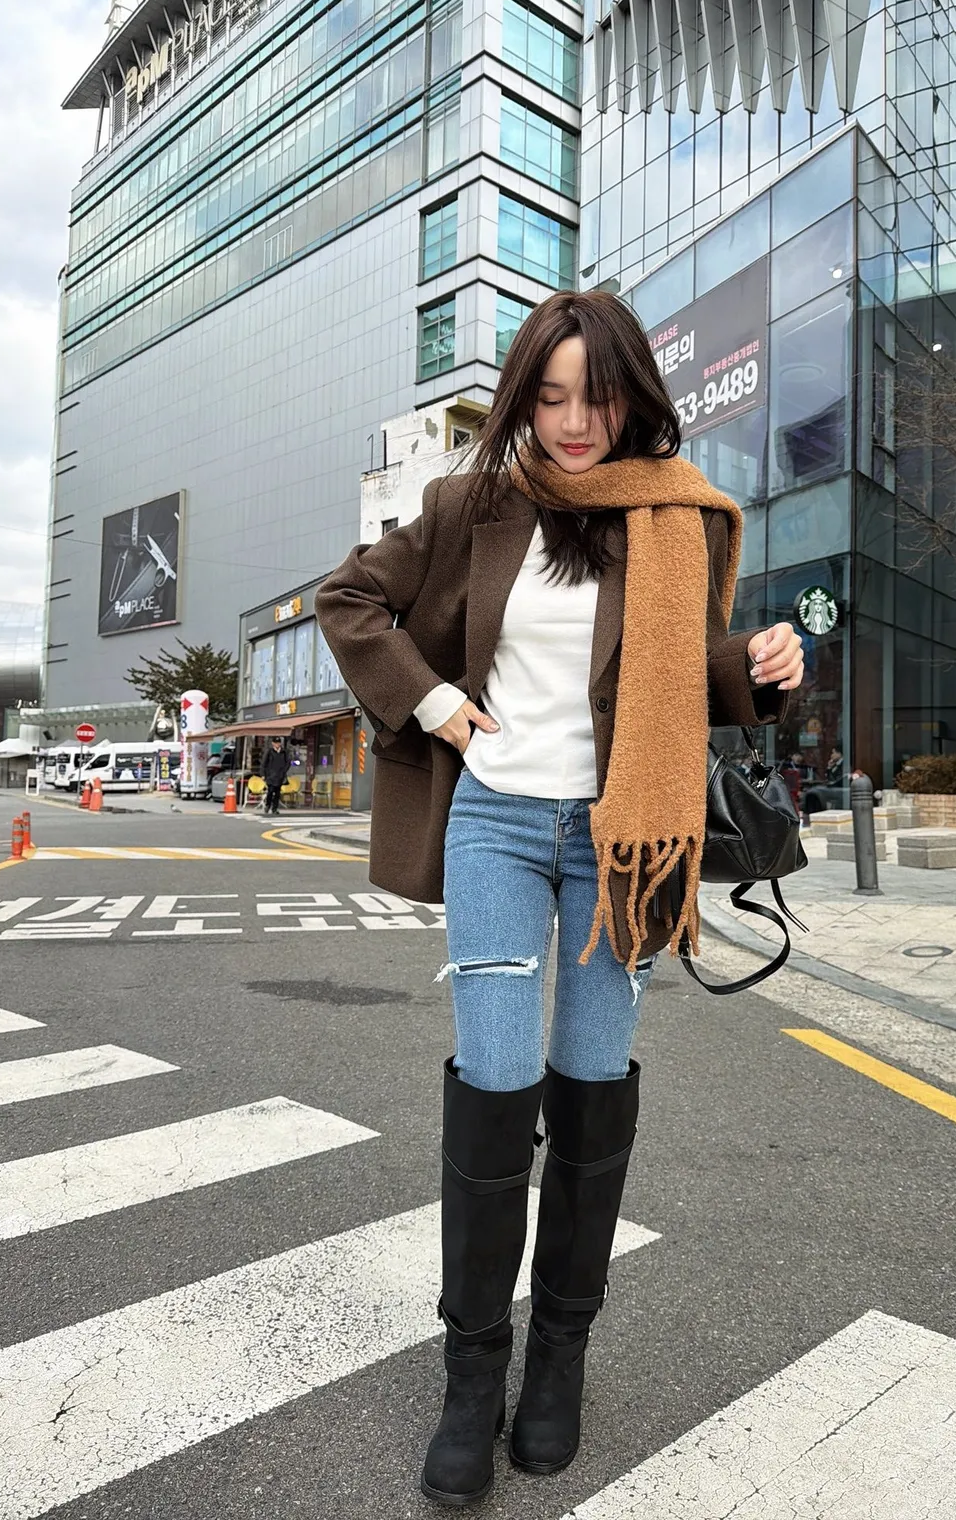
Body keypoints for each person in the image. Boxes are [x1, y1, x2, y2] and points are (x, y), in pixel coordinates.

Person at [316, 290, 804, 1508]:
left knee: (592, 1083)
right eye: (549, 396)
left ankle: (558, 1359)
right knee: (495, 1077)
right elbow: (350, 598)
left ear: (634, 396)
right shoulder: (471, 505)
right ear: (523, 399)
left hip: (616, 839)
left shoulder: (674, 517)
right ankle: (472, 1373)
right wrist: (436, 703)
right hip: (493, 821)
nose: (574, 421)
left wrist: (759, 668)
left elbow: (676, 679)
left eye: (596, 396)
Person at [802, 745, 846, 825]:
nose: (831, 755)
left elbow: (836, 780)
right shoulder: (835, 764)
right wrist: (829, 768)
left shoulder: (843, 764)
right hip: (833, 787)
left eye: (833, 753)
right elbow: (829, 778)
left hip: (838, 789)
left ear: (839, 754)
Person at [260, 736, 290, 814]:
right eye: (276, 743)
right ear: (273, 743)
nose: (277, 744)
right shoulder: (269, 752)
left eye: (278, 743)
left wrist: (284, 771)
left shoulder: (284, 752)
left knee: (277, 792)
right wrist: (263, 774)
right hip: (270, 775)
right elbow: (263, 763)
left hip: (280, 775)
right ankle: (268, 805)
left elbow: (288, 762)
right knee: (270, 791)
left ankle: (275, 808)